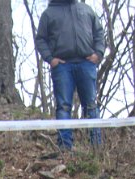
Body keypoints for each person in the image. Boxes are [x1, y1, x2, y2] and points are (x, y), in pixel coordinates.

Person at [34, 0, 105, 151]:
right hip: (62, 65)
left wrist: (98, 53)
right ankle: (65, 147)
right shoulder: (49, 13)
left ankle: (96, 146)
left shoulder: (86, 10)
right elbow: (40, 39)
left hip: (86, 63)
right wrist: (50, 59)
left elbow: (99, 32)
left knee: (91, 105)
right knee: (63, 106)